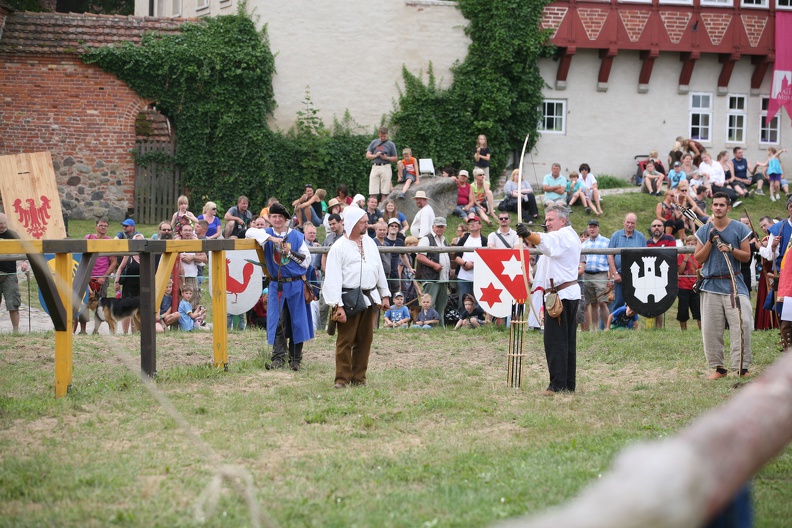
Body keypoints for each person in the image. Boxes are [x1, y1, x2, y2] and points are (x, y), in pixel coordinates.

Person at [516, 205, 582, 394]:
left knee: (556, 342)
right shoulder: (568, 235)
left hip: (561, 296)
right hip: (566, 294)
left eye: (550, 220)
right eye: (545, 220)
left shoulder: (563, 236)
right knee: (567, 342)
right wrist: (530, 234)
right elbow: (545, 241)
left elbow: (545, 240)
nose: (547, 223)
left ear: (563, 220)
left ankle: (558, 385)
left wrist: (527, 233)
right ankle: (568, 384)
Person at [322, 206, 391, 388]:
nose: (367, 224)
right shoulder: (339, 247)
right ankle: (342, 380)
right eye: (363, 222)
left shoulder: (370, 243)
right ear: (352, 223)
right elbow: (333, 278)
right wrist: (338, 306)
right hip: (348, 298)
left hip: (369, 297)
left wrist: (384, 294)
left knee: (365, 340)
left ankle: (359, 378)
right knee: (345, 341)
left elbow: (379, 270)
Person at [245, 203, 313, 371]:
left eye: (280, 217)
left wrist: (289, 252)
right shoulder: (265, 234)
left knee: (297, 322)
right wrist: (272, 239)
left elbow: (306, 261)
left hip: (295, 284)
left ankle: (296, 360)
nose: (276, 220)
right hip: (277, 285)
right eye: (273, 217)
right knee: (278, 322)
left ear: (286, 220)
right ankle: (278, 359)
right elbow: (249, 232)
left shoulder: (296, 237)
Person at [693, 192, 753, 379]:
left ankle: (742, 367)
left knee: (742, 324)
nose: (718, 208)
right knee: (711, 329)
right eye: (715, 204)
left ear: (728, 208)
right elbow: (698, 259)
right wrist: (710, 242)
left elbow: (746, 256)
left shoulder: (739, 228)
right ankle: (719, 368)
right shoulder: (704, 231)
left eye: (722, 205)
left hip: (734, 283)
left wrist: (730, 248)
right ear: (711, 207)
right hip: (711, 284)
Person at [76, 218, 118, 334]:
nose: (103, 227)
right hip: (87, 277)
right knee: (83, 304)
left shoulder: (109, 242)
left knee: (101, 306)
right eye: (101, 225)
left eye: (105, 225)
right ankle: (83, 330)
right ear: (96, 227)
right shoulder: (88, 238)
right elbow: (81, 258)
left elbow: (113, 262)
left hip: (102, 278)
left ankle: (96, 330)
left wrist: (104, 276)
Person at [608, 213, 647, 311]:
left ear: (636, 224)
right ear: (624, 222)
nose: (630, 225)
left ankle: (631, 325)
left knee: (634, 303)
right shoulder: (616, 235)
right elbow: (610, 255)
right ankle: (616, 324)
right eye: (628, 222)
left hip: (636, 276)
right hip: (619, 275)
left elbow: (645, 256)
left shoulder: (641, 237)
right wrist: (615, 273)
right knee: (618, 302)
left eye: (632, 223)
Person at [416, 217, 451, 326]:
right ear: (433, 227)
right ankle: (427, 328)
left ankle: (439, 330)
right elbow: (419, 256)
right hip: (431, 278)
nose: (439, 229)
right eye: (438, 226)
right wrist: (434, 265)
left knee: (441, 306)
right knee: (429, 306)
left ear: (444, 227)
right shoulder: (427, 239)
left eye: (442, 226)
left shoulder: (444, 240)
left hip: (443, 279)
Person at [0, 213, 30, 333]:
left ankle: (16, 331)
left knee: (13, 304)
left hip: (9, 274)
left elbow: (23, 249)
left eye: (3, 223)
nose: (1, 226)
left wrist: (24, 262)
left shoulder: (13, 235)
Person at [646, 219, 676, 329]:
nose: (657, 227)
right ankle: (650, 328)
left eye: (659, 225)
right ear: (651, 228)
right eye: (654, 226)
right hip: (650, 275)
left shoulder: (669, 238)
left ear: (663, 227)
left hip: (665, 274)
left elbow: (671, 256)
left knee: (661, 300)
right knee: (651, 301)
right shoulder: (648, 242)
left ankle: (659, 327)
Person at [581, 219, 610, 332]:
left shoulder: (606, 242)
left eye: (594, 227)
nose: (592, 229)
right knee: (591, 302)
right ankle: (595, 328)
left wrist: (610, 276)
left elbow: (610, 259)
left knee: (602, 302)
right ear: (588, 228)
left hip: (601, 274)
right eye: (590, 227)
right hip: (587, 274)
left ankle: (608, 327)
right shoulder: (584, 244)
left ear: (598, 228)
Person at [453, 215, 487, 310]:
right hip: (463, 277)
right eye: (470, 223)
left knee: (479, 301)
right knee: (463, 302)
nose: (472, 225)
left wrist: (475, 265)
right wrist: (464, 263)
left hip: (479, 277)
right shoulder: (463, 239)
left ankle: (477, 321)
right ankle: (462, 321)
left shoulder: (484, 241)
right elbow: (456, 256)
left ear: (480, 225)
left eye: (474, 222)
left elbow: (487, 258)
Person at [114, 233, 145, 334]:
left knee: (138, 309)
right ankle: (125, 332)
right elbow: (120, 268)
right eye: (137, 241)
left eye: (141, 241)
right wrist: (116, 281)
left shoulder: (146, 255)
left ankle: (135, 332)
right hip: (129, 286)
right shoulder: (129, 254)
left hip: (142, 286)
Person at [178, 224, 207, 309]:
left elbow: (204, 258)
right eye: (185, 230)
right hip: (178, 277)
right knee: (179, 301)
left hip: (192, 276)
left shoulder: (196, 243)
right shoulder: (176, 243)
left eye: (190, 230)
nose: (188, 232)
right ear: (181, 232)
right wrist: (179, 257)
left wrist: (193, 257)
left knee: (193, 301)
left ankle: (194, 321)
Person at [366, 126, 397, 202]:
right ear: (378, 134)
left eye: (384, 136)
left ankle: (382, 210)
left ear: (387, 134)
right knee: (373, 191)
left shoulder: (391, 144)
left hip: (385, 166)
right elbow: (367, 155)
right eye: (381, 136)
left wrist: (387, 158)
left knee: (385, 191)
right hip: (375, 166)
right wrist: (375, 155)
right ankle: (373, 209)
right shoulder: (374, 142)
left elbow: (395, 158)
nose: (383, 138)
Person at [677, 235, 701, 330]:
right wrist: (685, 259)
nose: (690, 246)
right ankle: (684, 331)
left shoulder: (698, 255)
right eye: (689, 244)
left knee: (698, 311)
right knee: (683, 311)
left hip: (695, 287)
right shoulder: (681, 256)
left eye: (693, 244)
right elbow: (680, 271)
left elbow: (700, 270)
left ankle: (701, 330)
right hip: (683, 287)